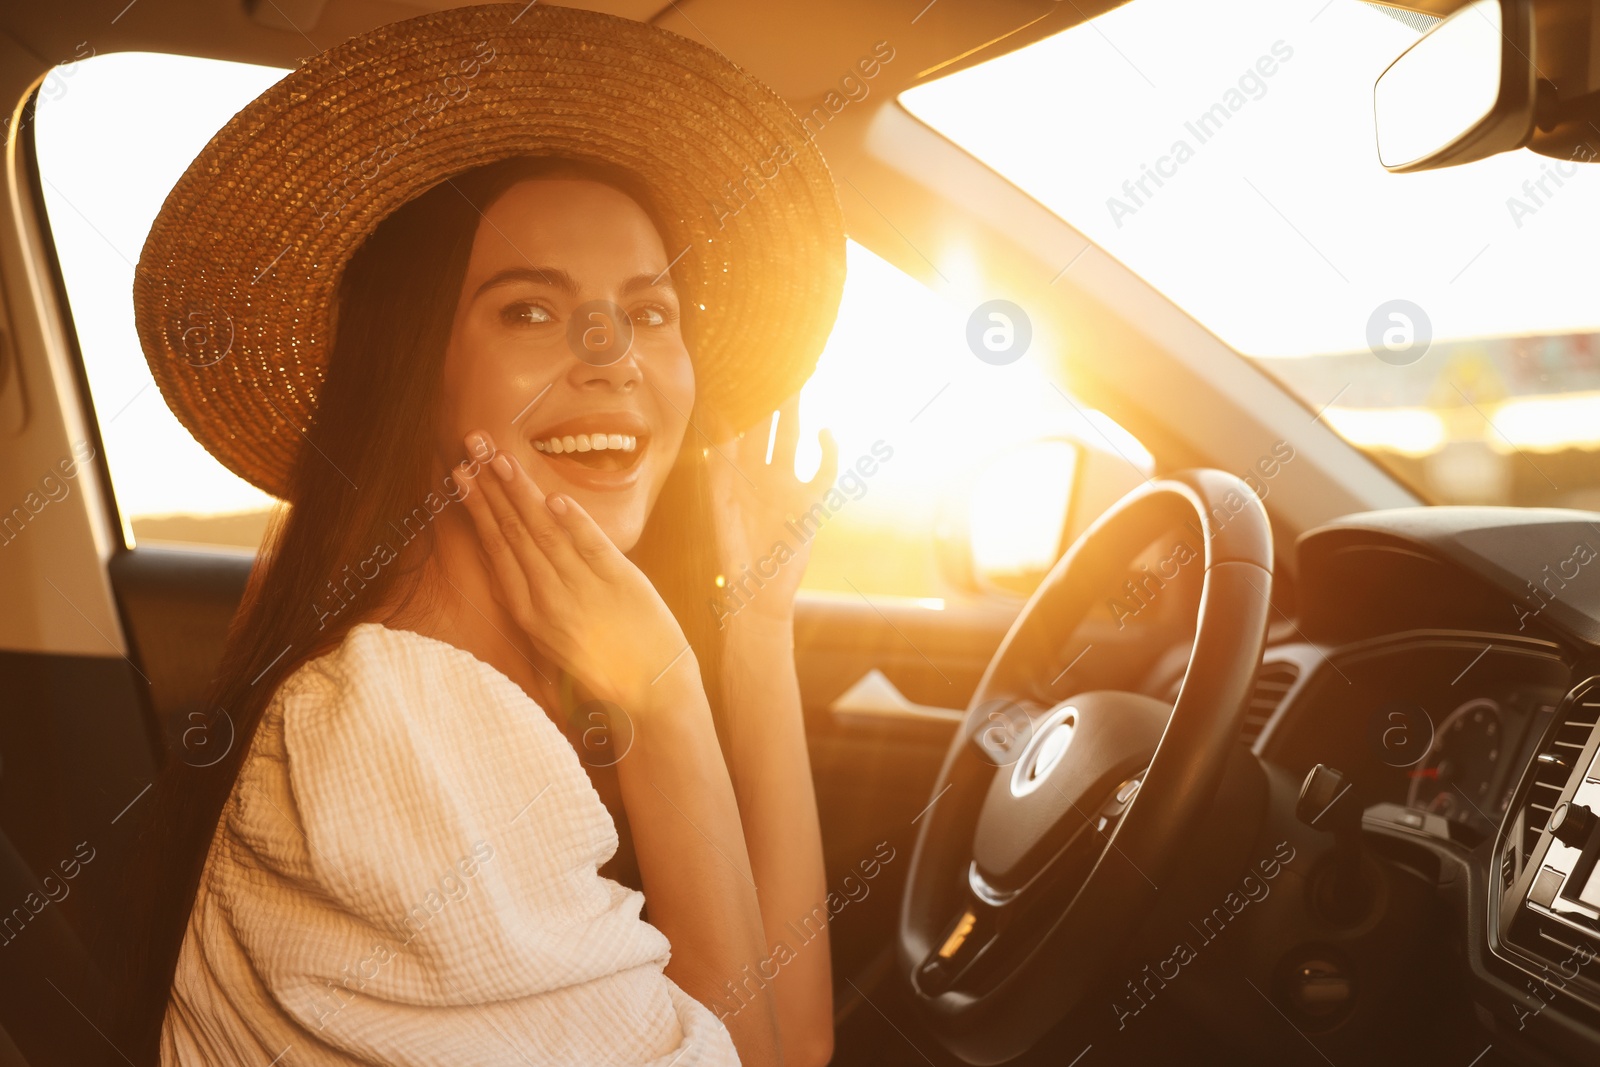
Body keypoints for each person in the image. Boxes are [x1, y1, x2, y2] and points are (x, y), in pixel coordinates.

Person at [121, 5, 847, 1065]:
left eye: (649, 311)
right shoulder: (393, 727)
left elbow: (796, 1039)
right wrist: (667, 696)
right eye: (530, 311)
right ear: (418, 380)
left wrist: (760, 620)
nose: (615, 357)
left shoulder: (490, 686)